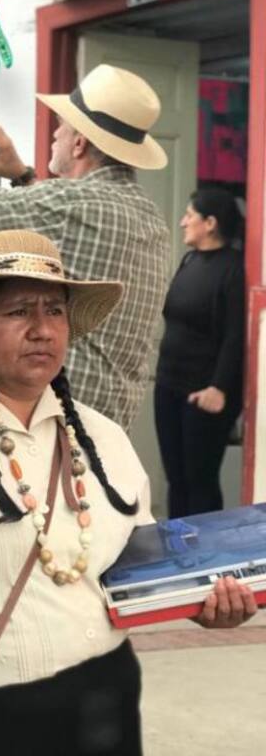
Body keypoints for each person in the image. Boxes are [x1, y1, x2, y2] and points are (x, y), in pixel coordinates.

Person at [0, 229, 256, 756]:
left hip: (104, 706)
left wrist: (205, 601)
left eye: (55, 311)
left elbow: (139, 573)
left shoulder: (104, 439)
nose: (43, 329)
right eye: (18, 311)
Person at [0, 64, 172, 429]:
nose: (55, 133)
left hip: (50, 421)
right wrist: (21, 174)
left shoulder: (72, 203)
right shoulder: (151, 217)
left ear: (79, 143)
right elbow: (66, 227)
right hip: (108, 427)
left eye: (62, 125)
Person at [155, 188, 245, 518]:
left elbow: (237, 336)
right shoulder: (189, 260)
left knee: (199, 481)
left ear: (210, 223)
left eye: (189, 215)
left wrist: (219, 388)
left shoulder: (234, 269)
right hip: (168, 385)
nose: (182, 222)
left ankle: (205, 562)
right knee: (176, 479)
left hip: (205, 394)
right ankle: (178, 557)